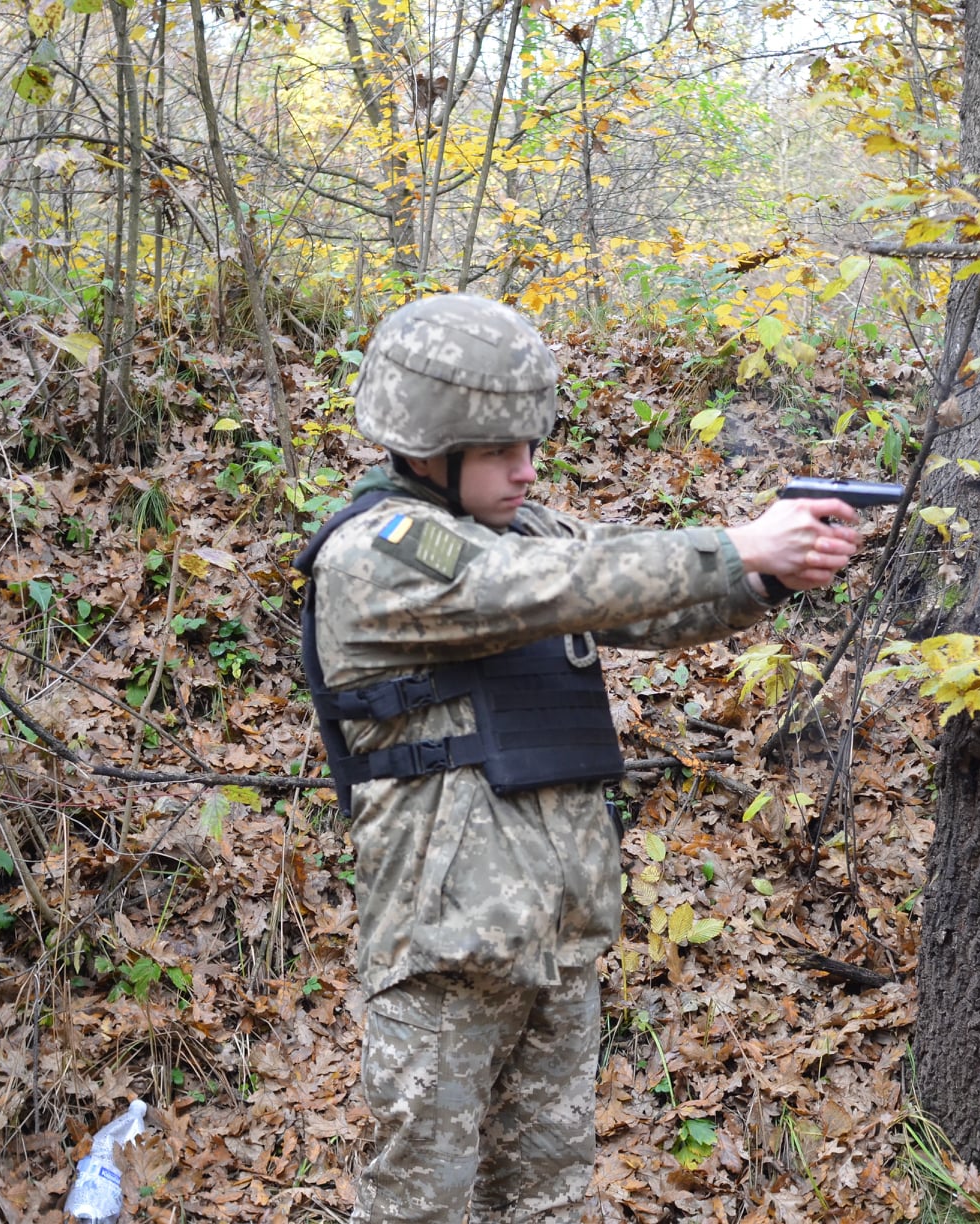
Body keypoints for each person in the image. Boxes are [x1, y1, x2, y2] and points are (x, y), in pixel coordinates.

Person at [294, 294, 859, 1223]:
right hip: (444, 955)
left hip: (556, 944)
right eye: (502, 450)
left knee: (549, 1204)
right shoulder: (378, 551)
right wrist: (731, 544)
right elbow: (552, 585)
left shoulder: (526, 532)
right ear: (431, 447)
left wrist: (764, 571)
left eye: (533, 445)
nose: (527, 469)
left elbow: (640, 596)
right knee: (416, 1212)